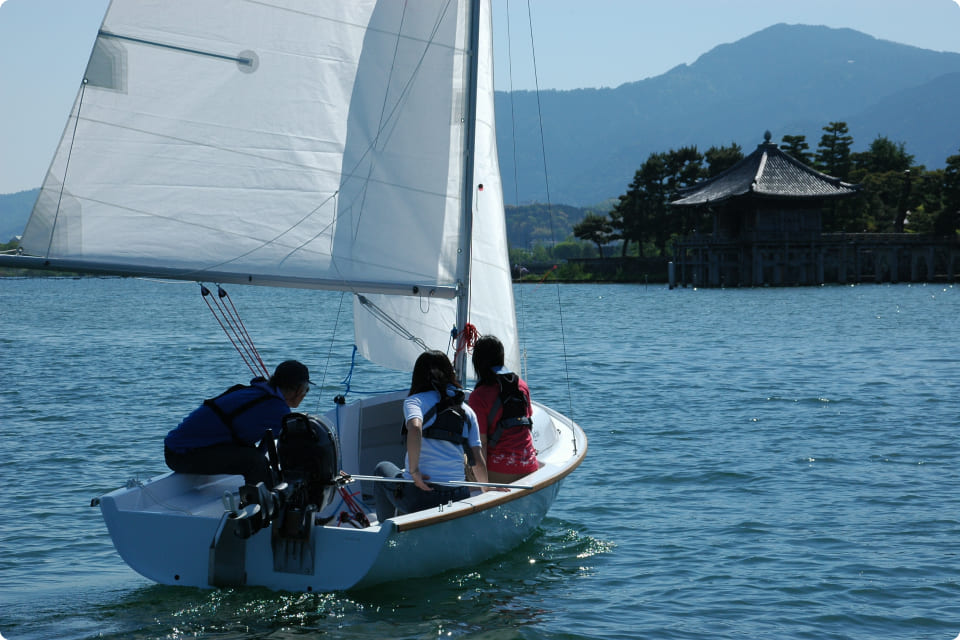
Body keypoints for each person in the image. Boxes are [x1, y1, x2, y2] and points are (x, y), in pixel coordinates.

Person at [373, 350, 492, 523]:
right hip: (458, 495)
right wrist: (487, 490)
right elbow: (477, 461)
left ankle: (385, 529)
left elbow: (415, 428)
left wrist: (414, 472)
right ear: (450, 374)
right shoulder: (467, 411)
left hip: (422, 497)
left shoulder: (415, 401)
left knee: (382, 469)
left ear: (418, 376)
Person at [164, 360, 311, 487]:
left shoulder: (260, 392)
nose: (305, 394)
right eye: (306, 389)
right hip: (181, 454)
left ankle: (262, 497)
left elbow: (266, 442)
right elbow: (293, 446)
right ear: (297, 389)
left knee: (258, 461)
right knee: (254, 462)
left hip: (179, 447)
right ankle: (257, 512)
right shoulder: (277, 409)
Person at [467, 335, 539, 484]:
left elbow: (481, 443)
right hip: (530, 465)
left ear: (477, 362)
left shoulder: (479, 396)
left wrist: (483, 482)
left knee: (462, 461)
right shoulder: (522, 386)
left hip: (500, 471)